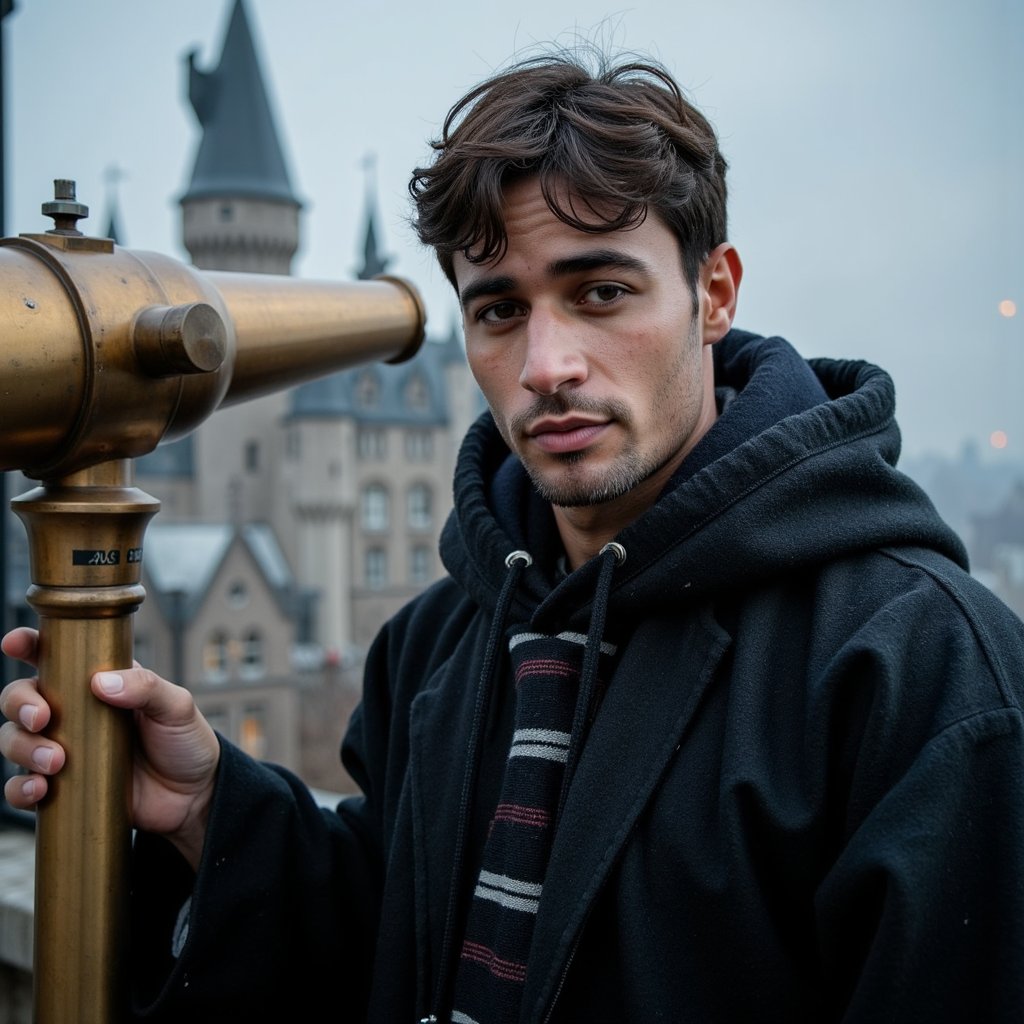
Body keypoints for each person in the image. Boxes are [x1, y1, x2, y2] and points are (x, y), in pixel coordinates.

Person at [3, 48, 1024, 1024]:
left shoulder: (915, 664)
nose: (547, 363)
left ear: (713, 293)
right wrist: (207, 806)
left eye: (601, 291)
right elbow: (389, 931)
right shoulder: (436, 643)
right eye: (497, 309)